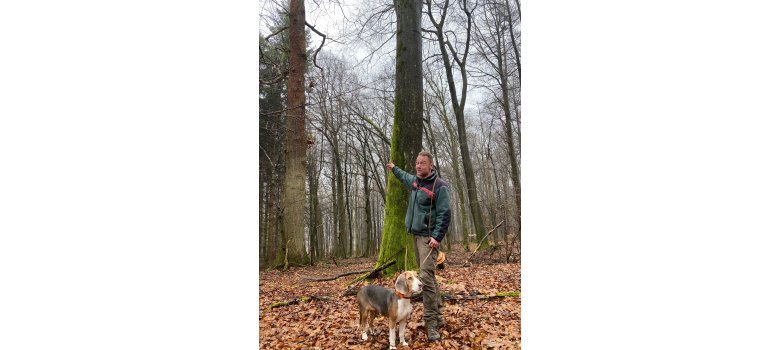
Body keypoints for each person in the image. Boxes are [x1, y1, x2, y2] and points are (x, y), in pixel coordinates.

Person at [386, 151, 451, 342]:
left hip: (428, 239)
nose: (418, 166)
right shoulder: (416, 181)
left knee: (425, 279)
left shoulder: (439, 186)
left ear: (430, 166)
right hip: (415, 236)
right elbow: (405, 177)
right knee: (428, 276)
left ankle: (431, 325)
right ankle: (438, 315)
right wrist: (394, 169)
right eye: (417, 163)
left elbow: (445, 214)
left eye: (422, 163)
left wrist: (437, 237)